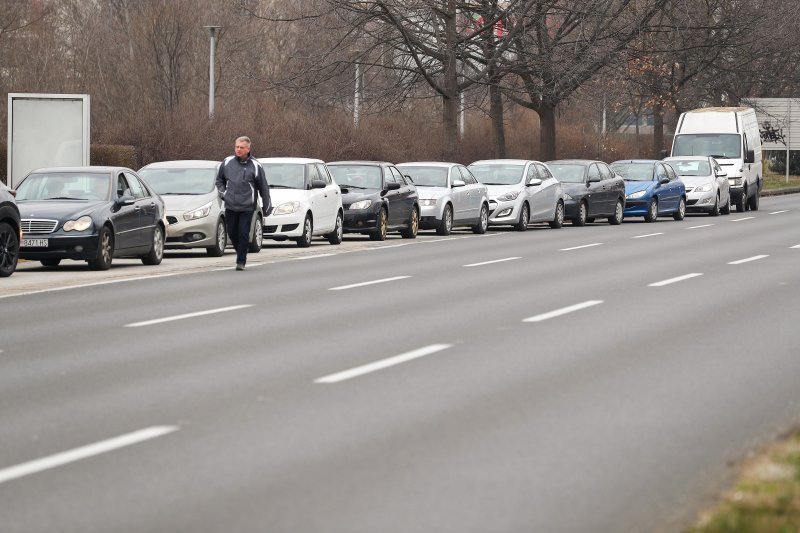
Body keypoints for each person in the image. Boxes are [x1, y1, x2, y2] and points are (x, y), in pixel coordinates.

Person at [215, 136, 271, 271]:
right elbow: (219, 181)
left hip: (247, 206)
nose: (238, 150)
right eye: (237, 147)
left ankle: (241, 260)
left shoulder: (256, 166)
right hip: (231, 204)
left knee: (243, 233)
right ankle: (241, 249)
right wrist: (224, 194)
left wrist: (267, 206)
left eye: (241, 148)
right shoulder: (227, 162)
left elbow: (264, 187)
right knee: (232, 232)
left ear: (248, 149)